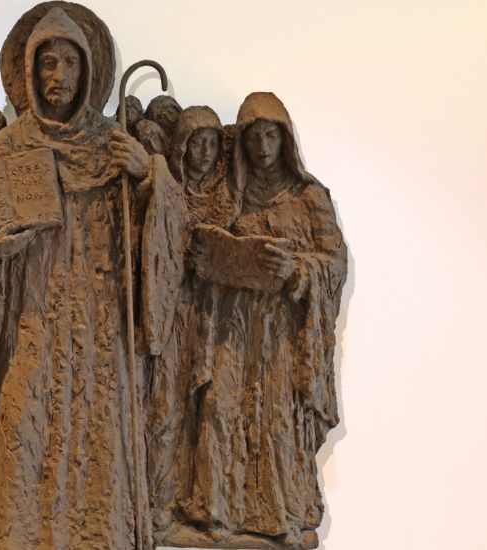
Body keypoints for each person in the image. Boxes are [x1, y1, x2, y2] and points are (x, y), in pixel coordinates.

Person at [0, 7, 181, 549]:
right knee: (25, 415)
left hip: (100, 318)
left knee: (98, 419)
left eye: (70, 63)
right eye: (47, 63)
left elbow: (162, 230)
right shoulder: (8, 149)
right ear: (29, 71)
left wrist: (148, 177)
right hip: (30, 315)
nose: (58, 76)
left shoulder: (112, 145)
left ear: (88, 71)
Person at [183, 92, 347, 549]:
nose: (263, 147)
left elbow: (333, 262)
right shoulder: (231, 196)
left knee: (275, 417)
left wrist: (296, 269)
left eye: (271, 135)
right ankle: (215, 511)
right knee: (220, 407)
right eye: (253, 137)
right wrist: (211, 258)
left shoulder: (308, 198)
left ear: (285, 138)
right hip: (232, 325)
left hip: (281, 331)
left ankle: (279, 516)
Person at [148, 105, 242, 545]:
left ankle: (207, 503)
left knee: (212, 410)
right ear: (181, 147)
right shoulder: (166, 190)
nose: (202, 152)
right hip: (172, 314)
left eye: (210, 144)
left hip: (216, 319)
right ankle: (159, 503)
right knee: (165, 407)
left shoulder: (229, 198)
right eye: (195, 143)